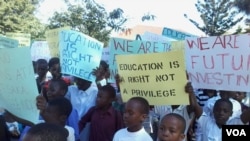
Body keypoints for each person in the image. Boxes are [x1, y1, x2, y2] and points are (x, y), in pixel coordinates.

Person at [65, 77, 98, 141]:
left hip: (87, 129)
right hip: (72, 125)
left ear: (89, 81)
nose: (77, 82)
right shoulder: (71, 89)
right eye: (76, 79)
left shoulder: (96, 92)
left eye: (80, 80)